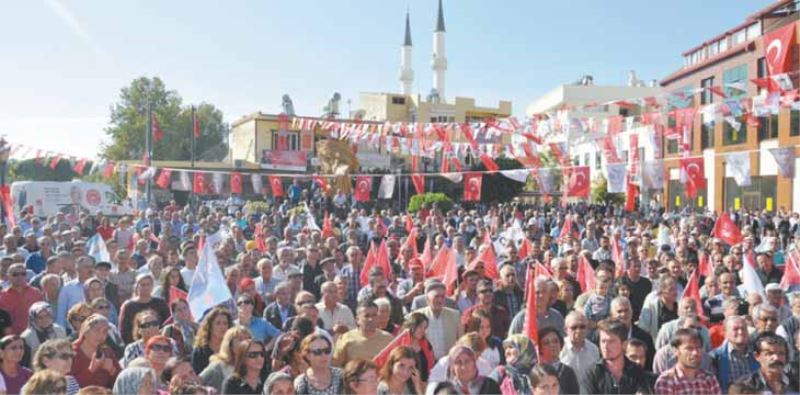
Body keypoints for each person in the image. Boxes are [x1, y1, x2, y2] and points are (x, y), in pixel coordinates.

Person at [580, 318, 652, 394]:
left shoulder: (637, 372)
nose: (605, 346)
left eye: (611, 341)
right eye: (603, 341)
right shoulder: (592, 374)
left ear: (624, 344)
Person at [653, 328, 721, 395]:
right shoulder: (666, 381)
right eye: (689, 348)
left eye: (698, 348)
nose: (695, 353)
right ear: (676, 351)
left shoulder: (709, 379)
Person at [412, 282, 463, 360]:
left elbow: (461, 340)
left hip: (448, 362)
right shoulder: (417, 316)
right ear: (427, 300)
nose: (440, 300)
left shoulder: (455, 315)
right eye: (436, 296)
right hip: (426, 364)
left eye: (442, 297)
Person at [332, 301, 393, 367]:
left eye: (374, 315)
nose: (371, 319)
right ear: (357, 320)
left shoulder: (388, 339)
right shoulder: (345, 339)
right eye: (366, 316)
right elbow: (336, 365)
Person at [735, 332, 799, 393]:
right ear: (757, 356)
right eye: (770, 354)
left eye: (781, 353)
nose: (776, 358)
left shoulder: (796, 383)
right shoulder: (747, 386)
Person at [708, 315, 759, 392]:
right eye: (735, 329)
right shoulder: (715, 357)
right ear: (725, 333)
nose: (740, 332)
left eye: (743, 328)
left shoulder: (757, 354)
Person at [117, 274, 169, 344]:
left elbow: (167, 323)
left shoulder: (161, 303)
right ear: (136, 286)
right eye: (143, 285)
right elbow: (124, 330)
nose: (146, 287)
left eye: (148, 284)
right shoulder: (128, 306)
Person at [71, 314, 120, 389]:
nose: (101, 335)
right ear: (85, 332)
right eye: (96, 330)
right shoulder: (71, 353)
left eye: (105, 331)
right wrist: (91, 370)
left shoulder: (107, 352)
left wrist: (112, 370)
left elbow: (122, 382)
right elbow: (67, 386)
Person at [199, 326, 252, 393]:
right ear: (230, 345)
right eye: (240, 340)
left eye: (248, 338)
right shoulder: (217, 366)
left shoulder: (253, 365)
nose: (246, 342)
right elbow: (197, 383)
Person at [0, 263, 43, 335]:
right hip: (12, 339)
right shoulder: (2, 296)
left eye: (23, 274)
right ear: (8, 276)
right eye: (15, 274)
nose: (20, 277)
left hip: (34, 336)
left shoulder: (36, 293)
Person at [559, 310, 600, 383]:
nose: (578, 331)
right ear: (566, 330)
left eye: (582, 327)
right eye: (574, 327)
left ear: (587, 328)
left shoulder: (594, 349)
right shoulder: (559, 348)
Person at [537, 327, 580, 394]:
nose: (552, 345)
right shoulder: (535, 371)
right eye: (546, 343)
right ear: (540, 348)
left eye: (555, 341)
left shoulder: (568, 371)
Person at [190, 307, 233, 374]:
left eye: (225, 323)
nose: (222, 327)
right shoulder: (200, 352)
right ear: (210, 326)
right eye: (218, 323)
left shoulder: (232, 347)